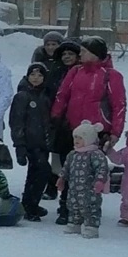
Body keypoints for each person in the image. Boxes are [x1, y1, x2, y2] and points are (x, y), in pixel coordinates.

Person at [50, 36, 127, 160]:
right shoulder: (75, 71)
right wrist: (55, 116)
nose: (80, 54)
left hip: (97, 131)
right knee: (70, 166)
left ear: (94, 53)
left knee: (92, 169)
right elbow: (62, 95)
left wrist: (115, 132)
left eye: (84, 51)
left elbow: (119, 106)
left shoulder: (111, 75)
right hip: (73, 129)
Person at [9, 58, 54, 221]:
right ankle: (30, 204)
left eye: (39, 75)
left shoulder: (45, 96)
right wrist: (19, 145)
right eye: (32, 74)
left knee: (35, 174)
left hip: (43, 143)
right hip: (29, 143)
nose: (36, 77)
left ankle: (30, 203)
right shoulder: (22, 96)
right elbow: (16, 122)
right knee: (42, 171)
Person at [46, 39, 83, 222]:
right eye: (64, 54)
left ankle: (77, 206)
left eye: (71, 54)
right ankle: (64, 205)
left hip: (80, 127)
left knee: (79, 170)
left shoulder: (83, 74)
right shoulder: (55, 73)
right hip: (60, 126)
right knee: (62, 167)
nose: (67, 57)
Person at [57, 122, 110, 240]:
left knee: (90, 207)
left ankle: (91, 226)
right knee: (73, 205)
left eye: (80, 138)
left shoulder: (95, 154)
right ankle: (74, 223)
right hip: (74, 188)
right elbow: (66, 168)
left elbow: (102, 168)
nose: (76, 140)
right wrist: (61, 178)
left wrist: (100, 181)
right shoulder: (72, 154)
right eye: (75, 137)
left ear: (89, 139)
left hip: (90, 189)